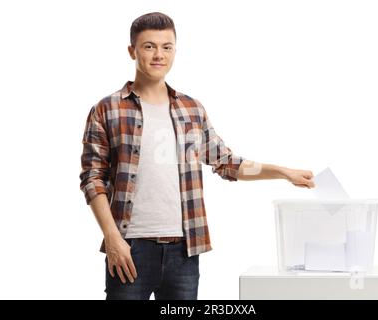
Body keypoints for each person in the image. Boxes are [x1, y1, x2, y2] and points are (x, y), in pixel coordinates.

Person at [79, 12, 315, 300]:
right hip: (130, 248)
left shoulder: (191, 110)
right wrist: (113, 239)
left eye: (167, 47)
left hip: (184, 250)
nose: (159, 55)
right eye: (149, 46)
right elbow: (93, 179)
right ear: (132, 51)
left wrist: (284, 172)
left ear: (175, 50)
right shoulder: (107, 109)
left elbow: (227, 163)